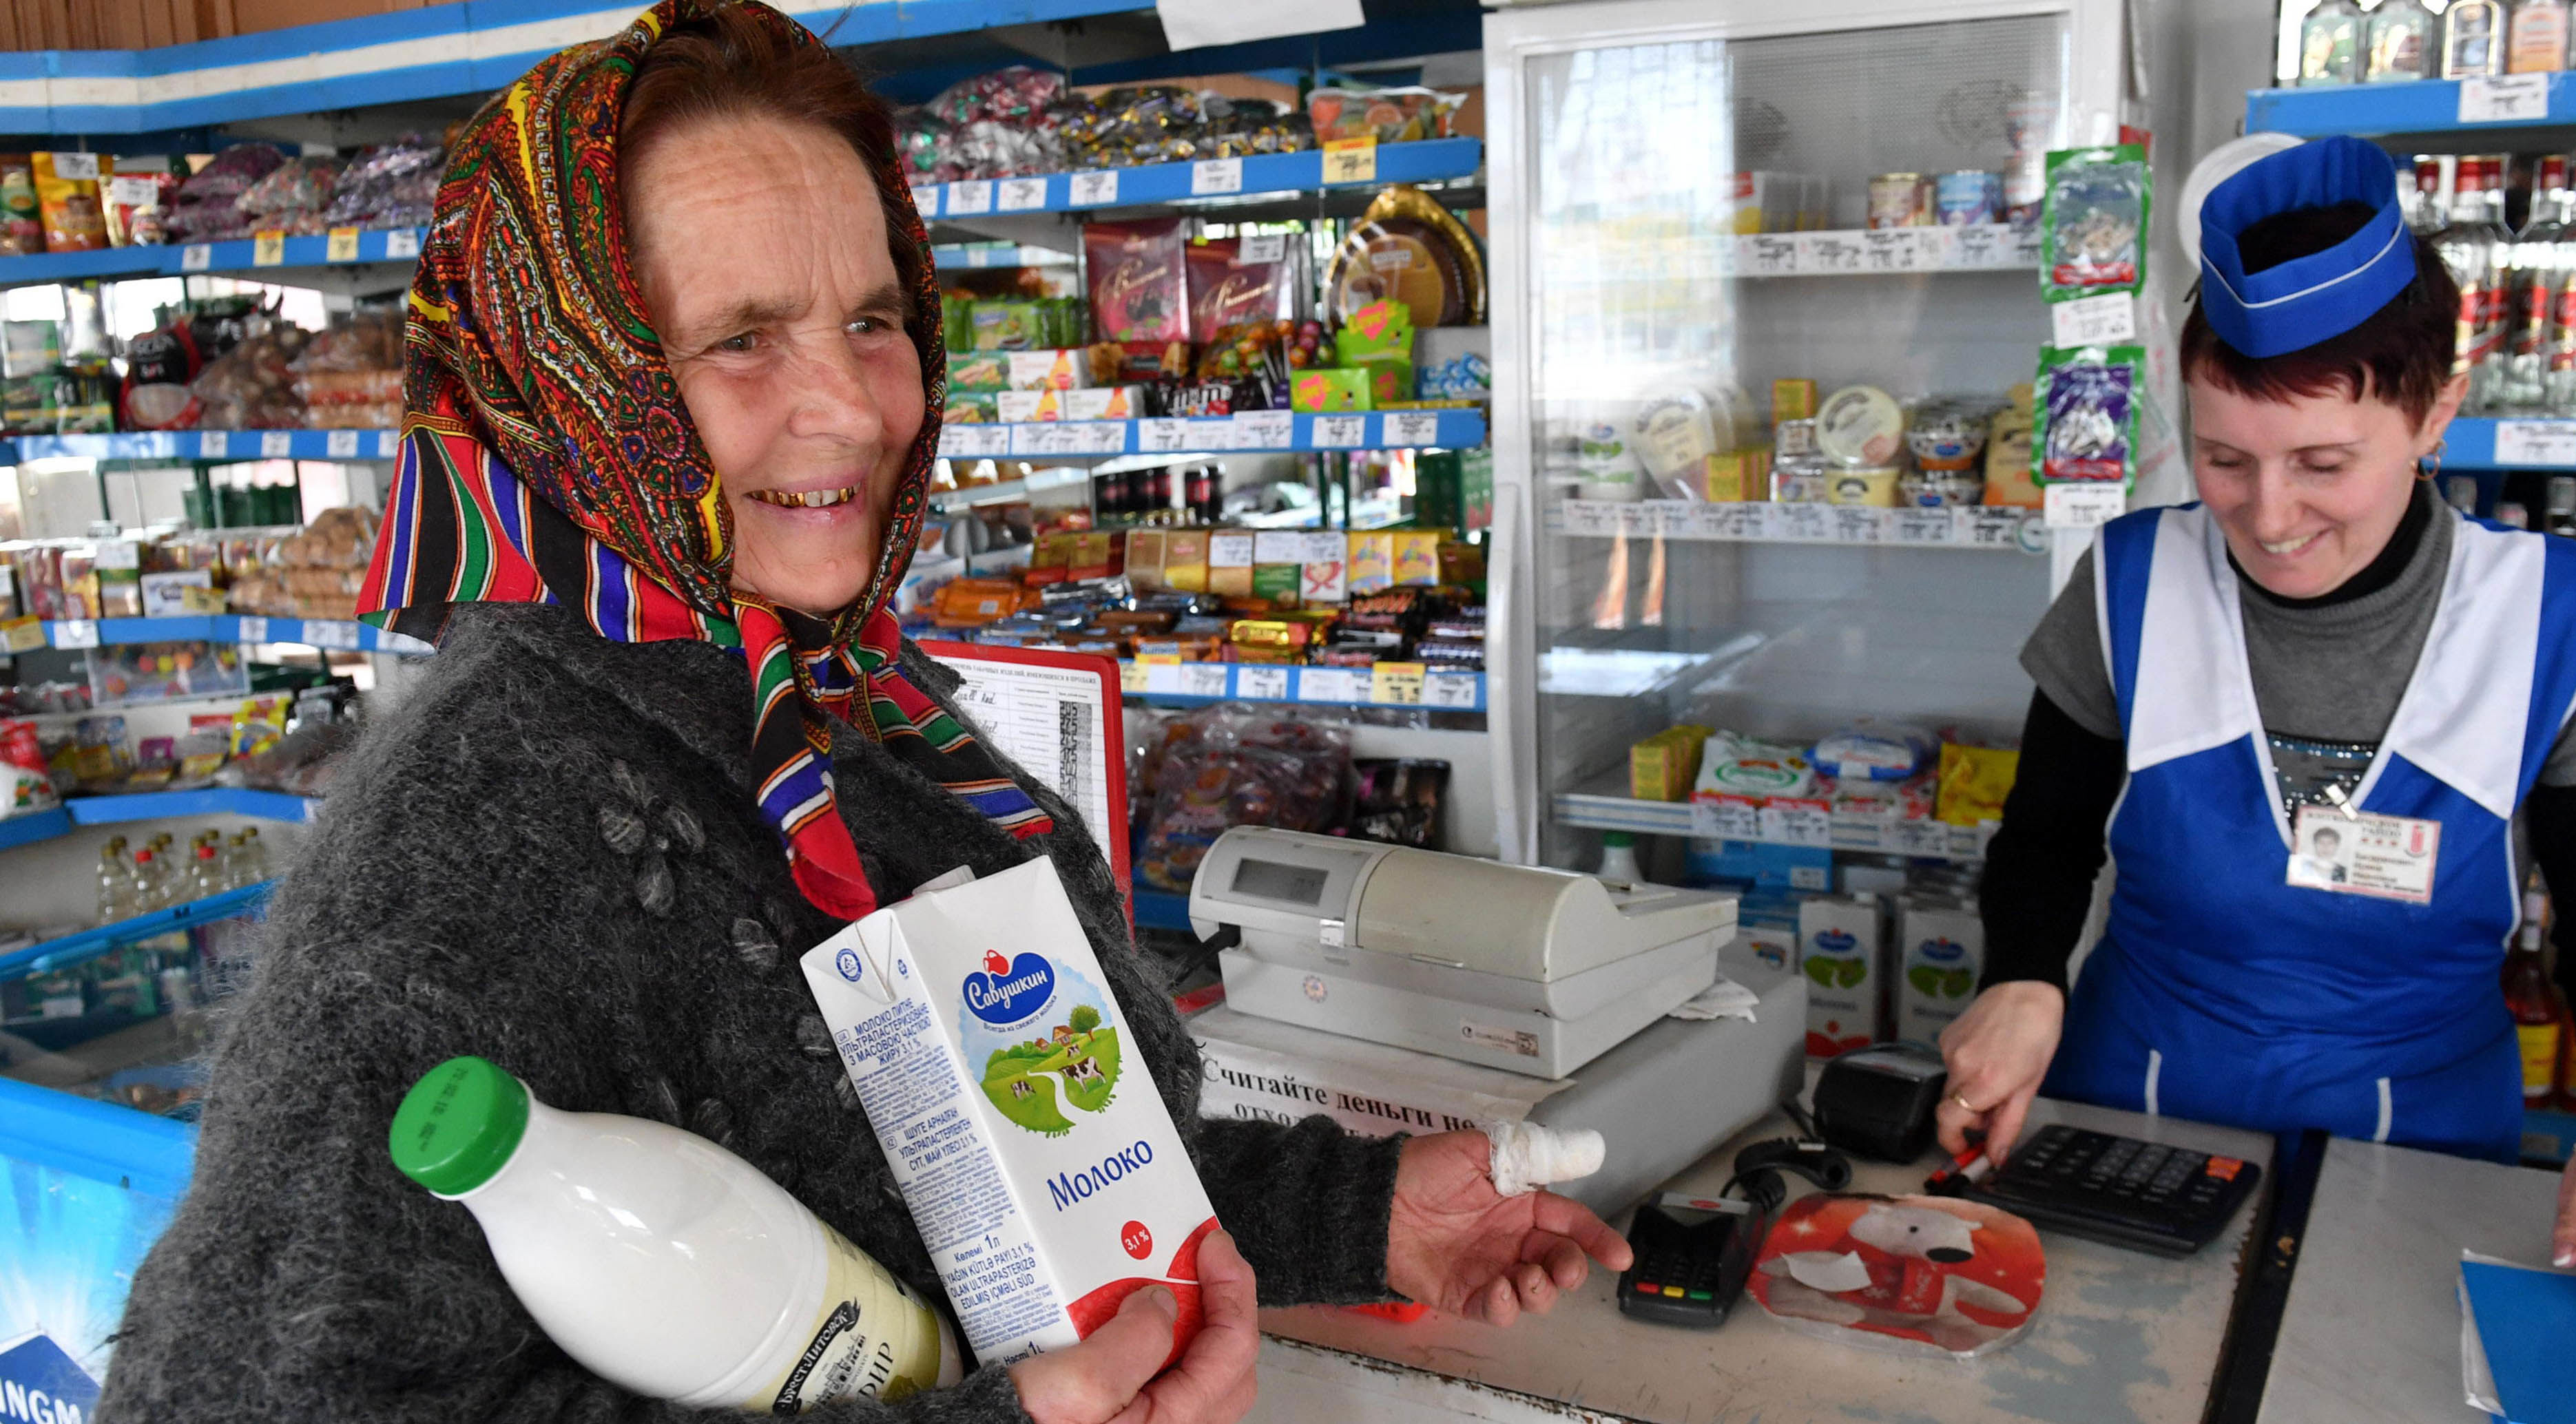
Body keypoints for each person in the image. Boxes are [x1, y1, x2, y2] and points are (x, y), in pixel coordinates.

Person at [94, 6, 1627, 1422]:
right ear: (566, 382)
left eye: (876, 319)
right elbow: (234, 1400)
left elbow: (986, 1173)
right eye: (741, 337)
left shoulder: (831, 696)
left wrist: (1361, 1215)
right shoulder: (479, 827)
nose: (852, 408)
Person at [1933, 136, 2576, 1349]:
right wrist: (2023, 976)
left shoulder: (2554, 622)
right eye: (2224, 459)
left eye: (2324, 463)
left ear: (2437, 414)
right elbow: (2047, 835)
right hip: (2131, 1120)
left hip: (2420, 1148)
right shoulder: (2132, 583)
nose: (2269, 518)